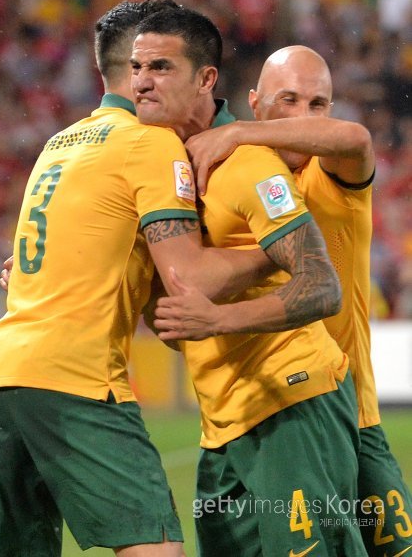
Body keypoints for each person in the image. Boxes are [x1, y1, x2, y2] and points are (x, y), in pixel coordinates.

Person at [0, 0, 279, 557]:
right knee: (156, 548)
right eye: (150, 63)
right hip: (78, 379)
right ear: (134, 65)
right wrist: (273, 254)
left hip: (5, 377)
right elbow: (188, 280)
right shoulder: (147, 142)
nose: (150, 76)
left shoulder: (57, 145)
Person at [155, 45, 412, 556]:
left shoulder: (331, 176)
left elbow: (356, 138)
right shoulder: (229, 182)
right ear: (256, 101)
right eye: (288, 100)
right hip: (255, 414)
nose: (304, 115)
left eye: (318, 104)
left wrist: (239, 131)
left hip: (346, 414)